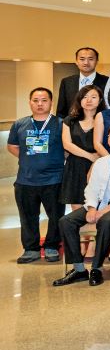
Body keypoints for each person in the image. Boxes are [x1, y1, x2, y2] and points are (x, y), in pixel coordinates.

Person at [53, 124, 110, 286]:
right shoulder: (101, 162)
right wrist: (91, 208)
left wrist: (109, 208)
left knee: (106, 220)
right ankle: (79, 270)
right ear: (107, 140)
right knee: (66, 221)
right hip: (98, 204)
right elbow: (92, 188)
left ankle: (97, 268)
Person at [8, 88, 66, 264]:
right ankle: (31, 249)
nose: (40, 104)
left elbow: (68, 148)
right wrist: (29, 158)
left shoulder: (61, 124)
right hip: (26, 180)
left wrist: (52, 159)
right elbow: (12, 146)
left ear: (51, 102)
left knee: (56, 216)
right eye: (35, 100)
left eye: (44, 100)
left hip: (54, 179)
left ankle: (52, 246)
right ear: (30, 102)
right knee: (27, 217)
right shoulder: (20, 124)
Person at [60, 86, 104, 209]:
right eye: (85, 97)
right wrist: (90, 156)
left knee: (97, 208)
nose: (89, 100)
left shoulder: (104, 120)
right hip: (74, 167)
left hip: (97, 166)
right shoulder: (69, 120)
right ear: (80, 100)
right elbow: (67, 144)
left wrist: (95, 160)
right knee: (76, 209)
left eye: (93, 97)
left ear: (100, 100)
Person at [56, 46, 109, 118]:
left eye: (90, 59)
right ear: (76, 61)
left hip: (99, 123)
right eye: (82, 59)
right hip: (71, 123)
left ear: (97, 61)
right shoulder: (66, 82)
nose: (86, 62)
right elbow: (61, 111)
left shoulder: (107, 81)